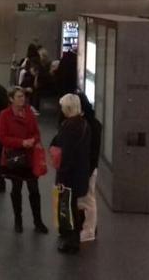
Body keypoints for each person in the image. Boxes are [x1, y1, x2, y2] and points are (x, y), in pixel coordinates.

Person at [0, 87, 48, 233]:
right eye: (19, 96)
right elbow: (2, 137)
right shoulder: (4, 115)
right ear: (11, 99)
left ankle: (38, 221)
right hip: (15, 158)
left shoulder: (29, 113)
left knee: (34, 189)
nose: (22, 99)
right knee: (16, 189)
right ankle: (18, 220)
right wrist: (21, 142)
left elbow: (36, 132)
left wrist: (33, 140)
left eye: (23, 96)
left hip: (29, 157)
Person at [50, 94, 91, 254]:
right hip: (80, 172)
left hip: (70, 175)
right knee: (74, 205)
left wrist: (61, 177)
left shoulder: (69, 126)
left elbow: (66, 154)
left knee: (68, 206)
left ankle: (72, 241)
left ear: (67, 108)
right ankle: (73, 237)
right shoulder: (84, 124)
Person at [77, 91, 102, 242]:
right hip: (86, 167)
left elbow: (93, 151)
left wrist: (88, 170)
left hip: (88, 168)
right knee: (85, 199)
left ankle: (90, 230)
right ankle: (88, 226)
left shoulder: (90, 124)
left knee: (88, 199)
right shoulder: (90, 122)